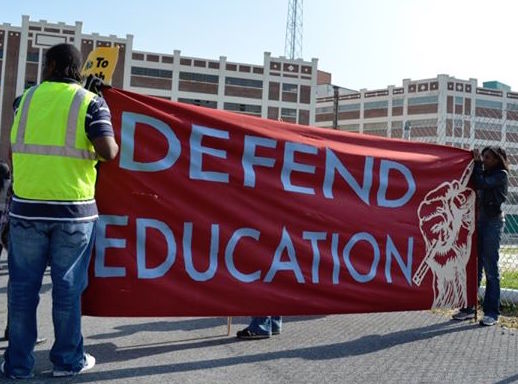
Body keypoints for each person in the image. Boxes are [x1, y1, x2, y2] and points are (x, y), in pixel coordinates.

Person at [0, 43, 118, 379]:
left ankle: (17, 366)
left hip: (26, 209)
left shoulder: (25, 100)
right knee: (67, 289)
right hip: (72, 212)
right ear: (76, 69)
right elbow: (108, 151)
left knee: (22, 290)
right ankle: (67, 361)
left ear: (50, 65)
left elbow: (15, 148)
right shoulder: (91, 103)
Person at [452, 146, 509, 326]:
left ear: (498, 159)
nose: (484, 160)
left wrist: (476, 163)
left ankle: (492, 312)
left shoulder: (500, 175)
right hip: (478, 222)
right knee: (474, 266)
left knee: (490, 268)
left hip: (492, 223)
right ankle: (469, 308)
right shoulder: (483, 173)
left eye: (488, 157)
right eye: (483, 157)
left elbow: (481, 184)